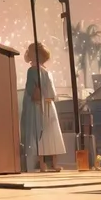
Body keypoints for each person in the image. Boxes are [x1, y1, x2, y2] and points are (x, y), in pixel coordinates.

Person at [20, 42, 65, 172]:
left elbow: (29, 90)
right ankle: (54, 163)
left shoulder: (32, 71)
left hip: (37, 105)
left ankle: (42, 164)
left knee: (38, 132)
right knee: (50, 133)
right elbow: (52, 92)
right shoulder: (46, 71)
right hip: (48, 104)